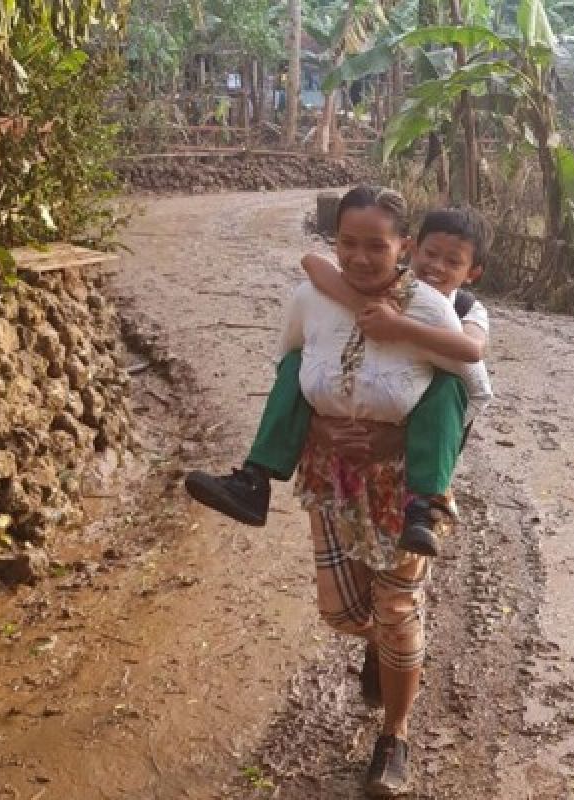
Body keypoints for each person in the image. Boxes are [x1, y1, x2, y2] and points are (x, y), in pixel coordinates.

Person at [236, 186, 483, 795]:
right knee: (343, 612)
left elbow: (464, 395)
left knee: (398, 612)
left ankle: (393, 736)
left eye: (377, 244)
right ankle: (378, 643)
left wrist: (394, 445)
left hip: (403, 488)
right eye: (349, 242)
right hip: (333, 477)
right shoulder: (313, 298)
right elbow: (291, 368)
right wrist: (316, 425)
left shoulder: (433, 308)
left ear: (401, 248)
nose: (362, 255)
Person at [186, 207, 492, 556]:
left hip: (407, 457)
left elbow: (473, 362)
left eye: (452, 262)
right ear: (412, 250)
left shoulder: (460, 310)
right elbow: (314, 262)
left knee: (447, 388)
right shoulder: (367, 288)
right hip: (335, 455)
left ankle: (423, 505)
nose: (436, 266)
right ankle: (255, 479)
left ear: (473, 272)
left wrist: (397, 329)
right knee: (295, 365)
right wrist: (316, 425)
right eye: (431, 254)